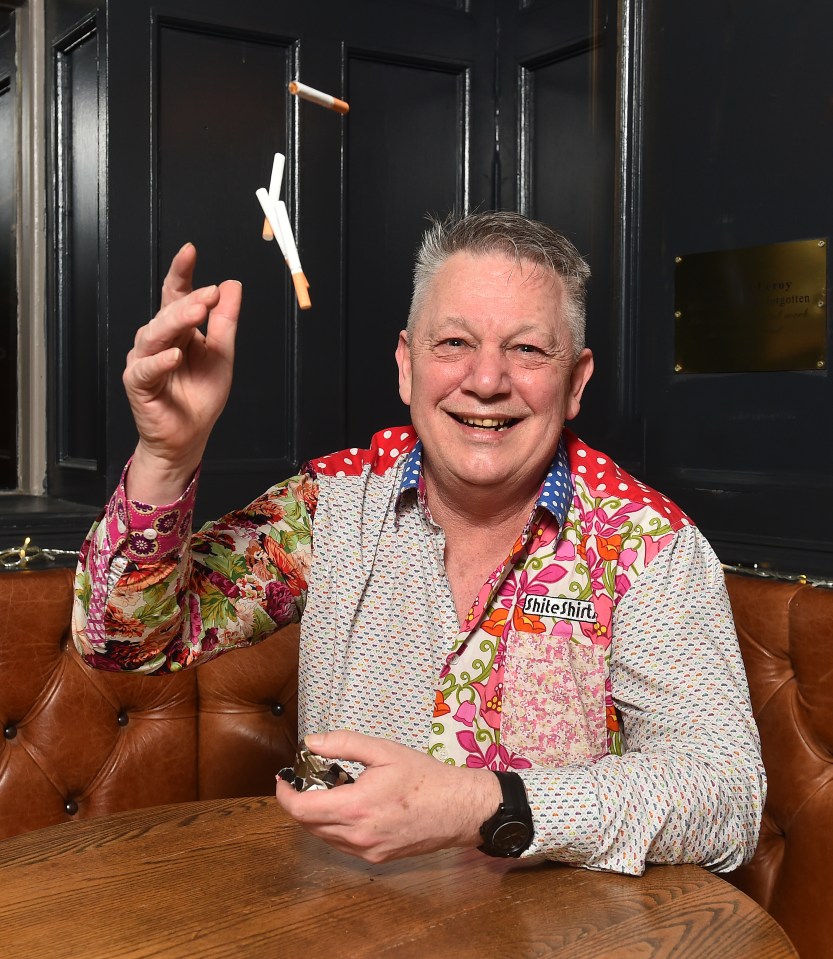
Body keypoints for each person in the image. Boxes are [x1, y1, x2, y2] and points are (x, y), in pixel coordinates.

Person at [72, 211, 765, 871]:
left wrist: (482, 804)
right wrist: (166, 453)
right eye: (454, 343)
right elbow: (123, 640)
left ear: (574, 380)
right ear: (406, 365)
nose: (486, 380)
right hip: (348, 925)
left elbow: (725, 798)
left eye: (526, 349)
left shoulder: (646, 545)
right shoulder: (331, 504)